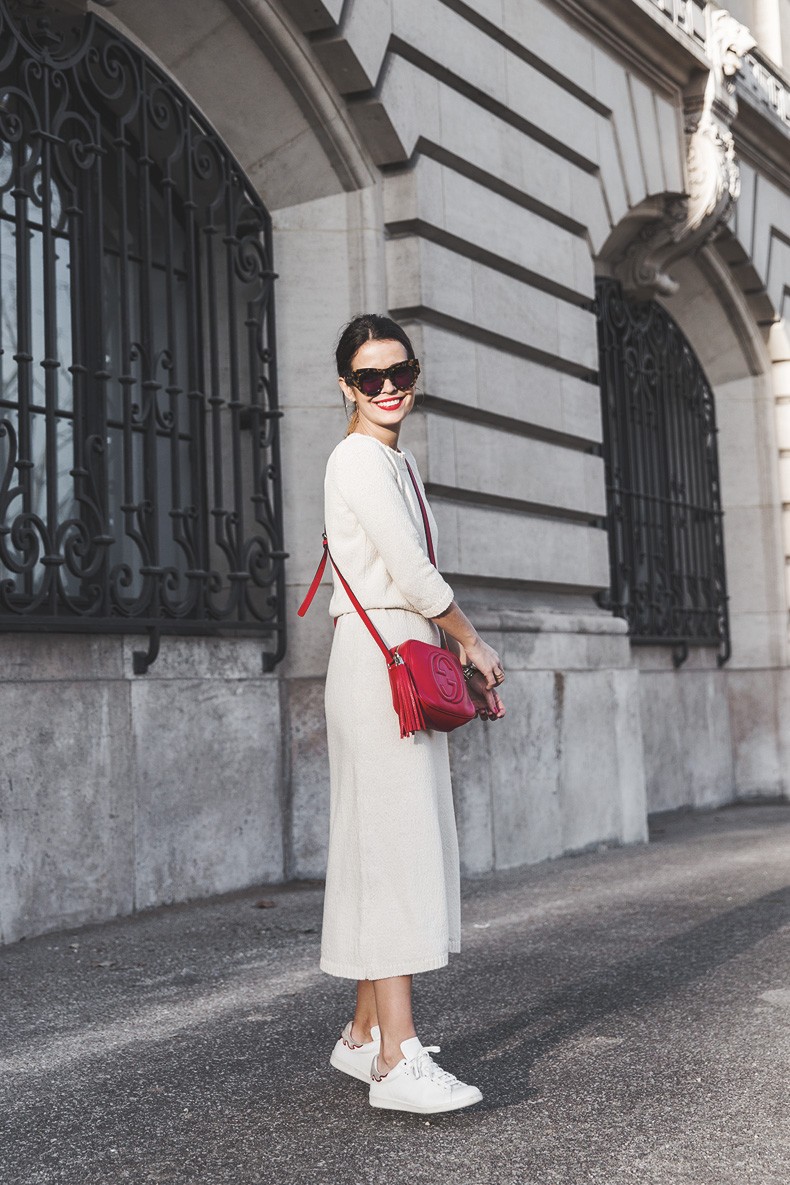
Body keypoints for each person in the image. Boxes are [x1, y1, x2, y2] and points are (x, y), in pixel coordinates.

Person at [315, 313, 506, 1115]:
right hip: (379, 660)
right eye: (370, 378)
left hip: (397, 654)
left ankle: (363, 1034)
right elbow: (412, 569)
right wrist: (473, 641)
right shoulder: (358, 457)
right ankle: (397, 1059)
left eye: (400, 373)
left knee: (382, 842)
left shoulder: (400, 459)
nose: (388, 388)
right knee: (392, 849)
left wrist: (446, 639)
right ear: (346, 388)